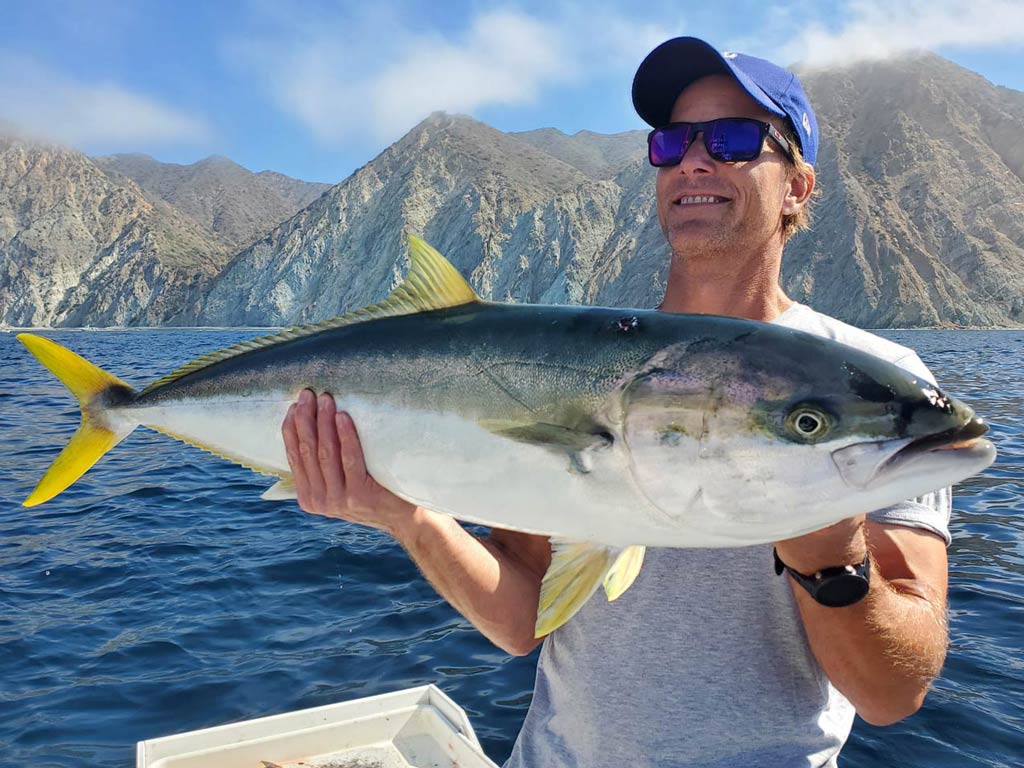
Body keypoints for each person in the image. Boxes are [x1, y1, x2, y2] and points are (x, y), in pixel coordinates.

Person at [281, 37, 951, 768]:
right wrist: (404, 516)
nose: (695, 161)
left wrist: (832, 564)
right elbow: (523, 617)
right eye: (672, 143)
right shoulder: (570, 360)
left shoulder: (879, 387)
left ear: (797, 187)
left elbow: (892, 696)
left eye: (731, 140)